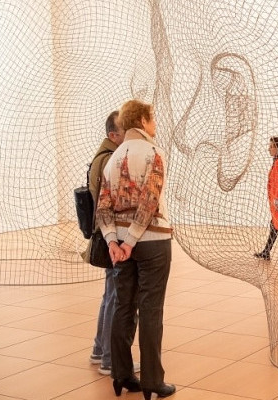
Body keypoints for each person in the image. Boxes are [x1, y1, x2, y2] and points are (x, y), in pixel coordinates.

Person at [96, 99, 175, 399]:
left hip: (120, 246)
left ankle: (122, 375)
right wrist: (130, 241)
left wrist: (113, 242)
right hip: (152, 242)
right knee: (151, 309)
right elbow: (149, 202)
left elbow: (103, 206)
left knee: (123, 306)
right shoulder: (154, 153)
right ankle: (153, 381)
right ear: (142, 121)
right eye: (152, 118)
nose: (155, 124)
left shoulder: (114, 158)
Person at [87, 111, 141, 376]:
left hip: (107, 235)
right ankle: (110, 359)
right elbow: (113, 204)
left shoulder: (103, 156)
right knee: (117, 297)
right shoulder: (111, 159)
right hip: (113, 237)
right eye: (125, 131)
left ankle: (100, 350)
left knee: (110, 294)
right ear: (113, 135)